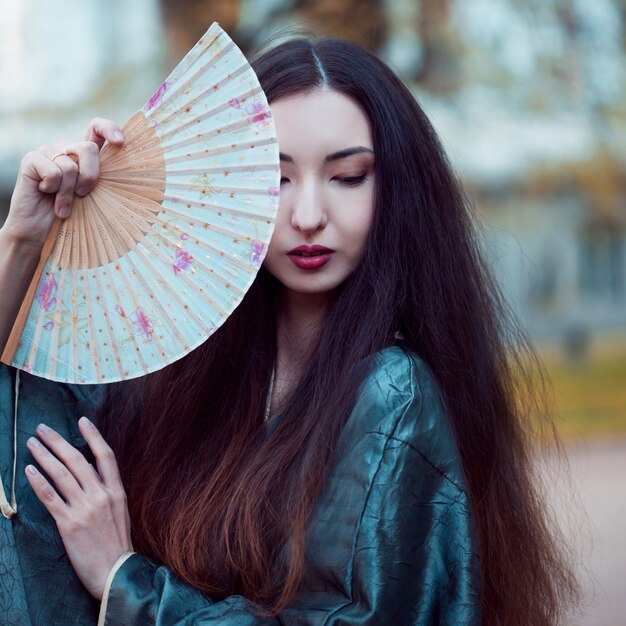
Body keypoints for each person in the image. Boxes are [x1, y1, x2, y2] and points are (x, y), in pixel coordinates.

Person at [0, 36, 578, 625]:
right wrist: (22, 239)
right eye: (274, 179)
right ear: (228, 187)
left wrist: (126, 582)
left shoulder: (392, 394)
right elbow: (19, 408)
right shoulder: (179, 368)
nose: (307, 216)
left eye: (348, 176)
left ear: (398, 190)